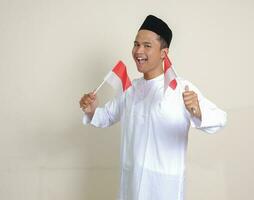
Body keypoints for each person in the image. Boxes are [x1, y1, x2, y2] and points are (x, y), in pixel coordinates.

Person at [79, 15, 227, 200]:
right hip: (131, 186)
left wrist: (197, 110)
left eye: (147, 46)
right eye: (136, 44)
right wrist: (91, 108)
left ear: (163, 53)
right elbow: (106, 117)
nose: (138, 51)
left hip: (163, 188)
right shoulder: (130, 90)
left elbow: (220, 119)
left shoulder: (179, 88)